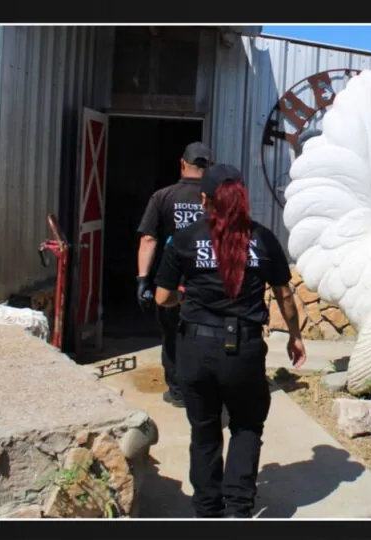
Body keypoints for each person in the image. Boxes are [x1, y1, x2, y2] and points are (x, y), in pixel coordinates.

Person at [153, 163, 307, 518]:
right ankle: (238, 510)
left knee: (204, 431)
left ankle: (208, 510)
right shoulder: (264, 238)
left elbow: (163, 298)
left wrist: (185, 298)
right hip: (245, 352)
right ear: (241, 197)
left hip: (195, 349)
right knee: (246, 425)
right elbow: (284, 295)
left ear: (205, 199)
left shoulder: (185, 239)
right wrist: (295, 336)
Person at [136, 141, 212, 408]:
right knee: (206, 333)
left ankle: (178, 391)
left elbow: (148, 239)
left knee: (172, 335)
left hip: (171, 282)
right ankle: (203, 388)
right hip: (207, 280)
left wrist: (143, 279)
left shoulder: (163, 196)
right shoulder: (216, 197)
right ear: (209, 166)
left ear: (183, 163)